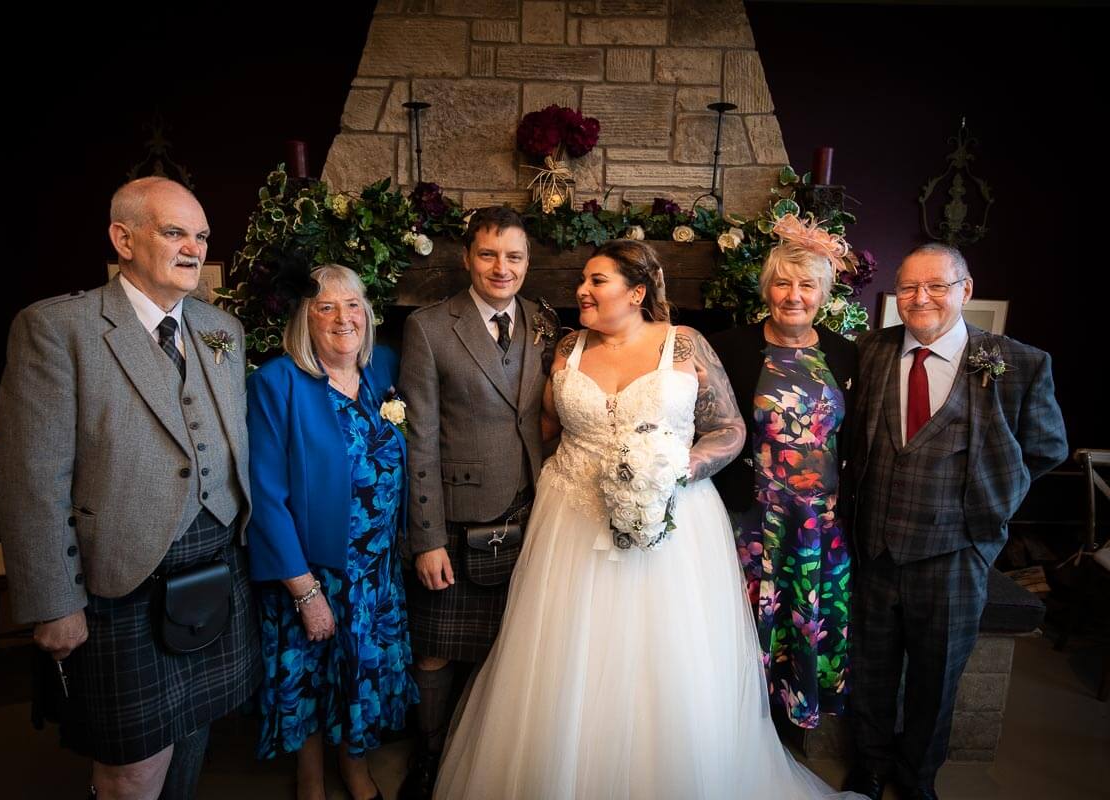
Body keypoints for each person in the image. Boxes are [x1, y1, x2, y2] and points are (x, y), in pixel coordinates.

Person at [435, 239, 861, 799]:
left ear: (636, 292)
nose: (581, 291)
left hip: (672, 521)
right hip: (571, 520)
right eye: (582, 281)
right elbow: (543, 430)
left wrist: (676, 470)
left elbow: (730, 430)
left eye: (596, 281)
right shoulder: (567, 347)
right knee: (569, 656)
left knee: (665, 656)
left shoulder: (684, 344)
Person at [0, 176, 259, 799]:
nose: (194, 248)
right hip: (121, 579)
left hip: (217, 567)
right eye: (174, 232)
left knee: (194, 727)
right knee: (131, 769)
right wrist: (54, 601)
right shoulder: (59, 328)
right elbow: (31, 481)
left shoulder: (221, 327)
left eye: (201, 236)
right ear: (123, 238)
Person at [845, 243, 1067, 800]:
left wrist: (988, 507)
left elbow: (1047, 448)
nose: (920, 298)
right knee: (870, 669)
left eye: (936, 286)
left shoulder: (1018, 363)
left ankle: (916, 777)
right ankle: (870, 766)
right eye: (908, 287)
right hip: (874, 548)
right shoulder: (870, 350)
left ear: (964, 290)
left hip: (955, 555)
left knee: (936, 678)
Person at [247, 264, 417, 800]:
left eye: (352, 305)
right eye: (326, 307)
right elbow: (266, 498)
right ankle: (311, 780)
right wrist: (305, 591)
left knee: (360, 674)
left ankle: (355, 765)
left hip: (377, 571)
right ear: (305, 318)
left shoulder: (382, 368)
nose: (344, 318)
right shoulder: (276, 383)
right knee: (314, 678)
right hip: (315, 572)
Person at [397, 206, 548, 799]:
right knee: (435, 650)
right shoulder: (430, 327)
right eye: (488, 254)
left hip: (531, 513)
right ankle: (430, 756)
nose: (501, 267)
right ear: (467, 259)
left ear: (527, 261)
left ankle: (487, 760)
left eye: (513, 256)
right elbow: (420, 439)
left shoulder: (543, 320)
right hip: (457, 521)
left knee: (508, 650)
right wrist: (427, 539)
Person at [709, 216, 858, 729]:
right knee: (743, 622)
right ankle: (736, 725)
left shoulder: (845, 353)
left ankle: (790, 725)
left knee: (806, 620)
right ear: (766, 289)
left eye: (807, 285)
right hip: (751, 521)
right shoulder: (728, 348)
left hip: (820, 526)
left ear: (824, 294)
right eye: (782, 283)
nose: (794, 296)